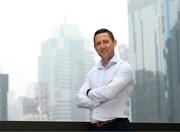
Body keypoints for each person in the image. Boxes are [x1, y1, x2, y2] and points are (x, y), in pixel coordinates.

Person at [76, 28, 133, 131]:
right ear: (95, 47)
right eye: (98, 44)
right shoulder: (92, 73)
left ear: (114, 42)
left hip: (118, 127)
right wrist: (98, 101)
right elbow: (79, 99)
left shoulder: (124, 68)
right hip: (95, 128)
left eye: (106, 42)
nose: (102, 46)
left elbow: (108, 92)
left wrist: (89, 92)